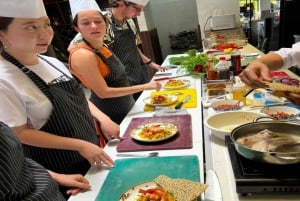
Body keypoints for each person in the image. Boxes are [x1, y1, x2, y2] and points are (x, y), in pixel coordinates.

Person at [0, 0, 118, 198]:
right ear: (2, 34)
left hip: (90, 151)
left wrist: (102, 118)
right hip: (59, 167)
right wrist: (79, 145)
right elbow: (19, 133)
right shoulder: (4, 79)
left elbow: (78, 98)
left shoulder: (52, 61)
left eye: (46, 24)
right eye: (30, 27)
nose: (45, 34)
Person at [68, 0, 161, 124]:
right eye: (85, 23)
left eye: (98, 21)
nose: (94, 26)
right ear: (76, 28)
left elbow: (134, 46)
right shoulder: (85, 51)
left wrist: (150, 63)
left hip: (130, 87)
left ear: (105, 23)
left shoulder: (104, 44)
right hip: (112, 105)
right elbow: (103, 92)